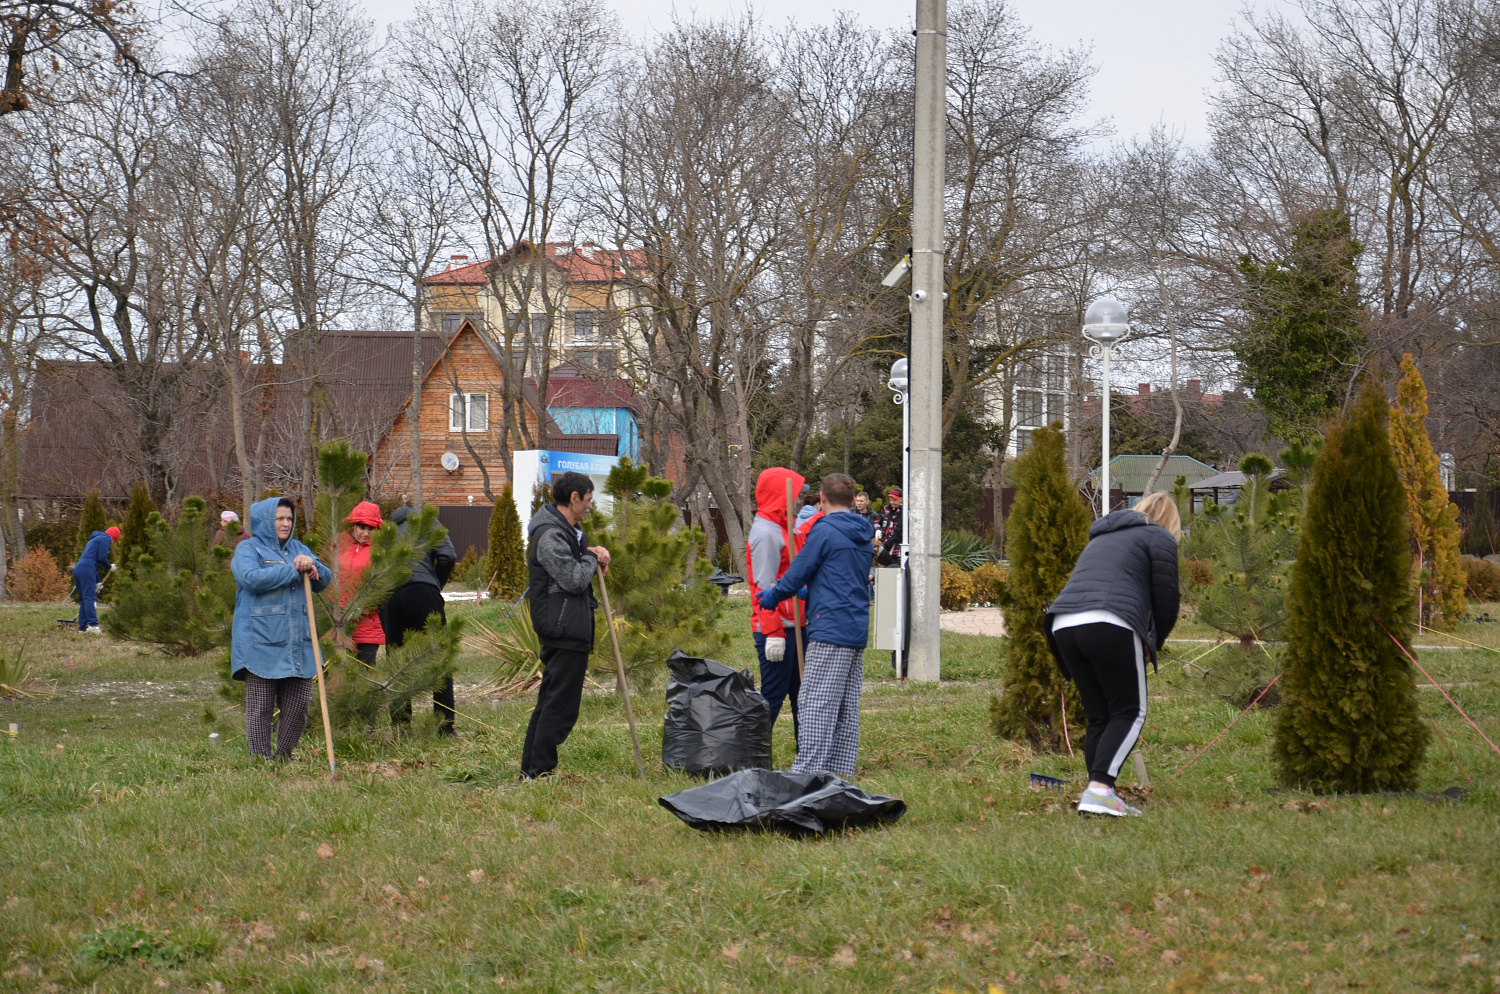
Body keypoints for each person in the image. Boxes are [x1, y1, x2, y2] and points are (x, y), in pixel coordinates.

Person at [1044, 490, 1182, 818]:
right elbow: (1167, 600)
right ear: (1170, 522)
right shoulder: (1160, 537)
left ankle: (1096, 794)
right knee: (1130, 710)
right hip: (1110, 621)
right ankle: (1100, 790)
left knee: (1100, 716)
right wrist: (1153, 645)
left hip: (1063, 624)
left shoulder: (1102, 537)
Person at [758, 473, 875, 776]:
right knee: (845, 705)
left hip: (829, 627)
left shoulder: (824, 531)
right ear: (852, 501)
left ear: (822, 498)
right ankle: (838, 771)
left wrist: (774, 595)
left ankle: (807, 773)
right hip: (856, 627)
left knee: (814, 702)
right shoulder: (863, 532)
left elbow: (798, 572)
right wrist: (812, 591)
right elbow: (842, 576)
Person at [521, 471, 611, 779]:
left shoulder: (571, 532)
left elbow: (578, 566)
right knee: (560, 706)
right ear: (573, 498)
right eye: (588, 499)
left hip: (569, 626)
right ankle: (539, 771)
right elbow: (573, 579)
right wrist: (592, 559)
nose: (590, 506)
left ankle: (531, 770)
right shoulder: (550, 535)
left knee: (551, 701)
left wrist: (591, 554)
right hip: (562, 629)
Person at [230, 497, 332, 761]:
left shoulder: (298, 548)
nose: (286, 523)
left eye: (289, 518)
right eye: (279, 519)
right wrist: (293, 569)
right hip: (261, 641)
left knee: (299, 705)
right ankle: (260, 759)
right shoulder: (248, 549)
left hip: (299, 641)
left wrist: (314, 567)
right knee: (261, 707)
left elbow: (325, 580)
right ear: (266, 520)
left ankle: (284, 756)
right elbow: (250, 578)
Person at [385, 505, 458, 733]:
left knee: (396, 661)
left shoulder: (387, 532)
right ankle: (444, 725)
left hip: (391, 595)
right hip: (423, 592)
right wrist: (435, 583)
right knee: (439, 657)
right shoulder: (427, 523)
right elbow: (448, 556)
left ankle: (401, 726)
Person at [745, 467, 806, 737]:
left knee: (802, 697)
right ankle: (751, 754)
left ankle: (806, 754)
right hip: (779, 628)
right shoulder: (766, 533)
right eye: (795, 495)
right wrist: (773, 632)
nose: (799, 500)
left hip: (795, 624)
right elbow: (764, 587)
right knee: (773, 697)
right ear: (781, 496)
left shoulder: (782, 527)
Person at [337, 501, 386, 667]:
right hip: (339, 618)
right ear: (353, 526)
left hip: (367, 620)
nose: (366, 533)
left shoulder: (381, 550)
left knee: (365, 668)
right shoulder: (338, 544)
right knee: (338, 670)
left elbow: (384, 585)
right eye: (361, 527)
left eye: (370, 528)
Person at [73, 525, 119, 633]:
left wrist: (98, 582)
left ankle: (82, 628)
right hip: (87, 568)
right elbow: (101, 557)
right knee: (90, 598)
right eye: (113, 542)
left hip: (78, 568)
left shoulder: (95, 539)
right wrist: (109, 567)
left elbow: (93, 562)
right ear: (113, 538)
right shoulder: (105, 539)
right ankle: (93, 626)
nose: (111, 544)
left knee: (84, 600)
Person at [874, 487, 903, 566]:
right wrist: (878, 529)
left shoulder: (903, 512)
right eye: (891, 499)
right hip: (884, 545)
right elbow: (877, 521)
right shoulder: (886, 510)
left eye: (895, 500)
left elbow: (898, 531)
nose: (892, 502)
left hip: (896, 549)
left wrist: (886, 545)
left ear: (901, 499)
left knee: (894, 568)